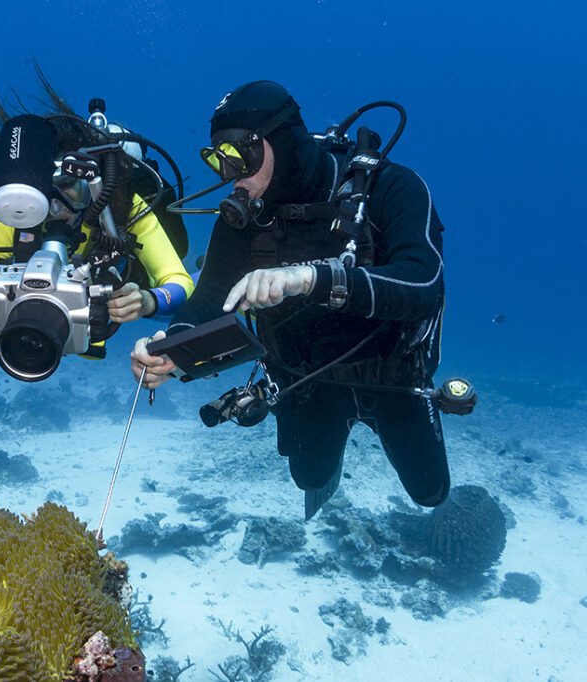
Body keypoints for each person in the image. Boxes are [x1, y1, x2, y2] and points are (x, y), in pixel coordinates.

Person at [131, 81, 450, 515]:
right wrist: (173, 349)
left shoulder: (391, 187)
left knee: (431, 493)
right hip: (305, 380)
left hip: (393, 374)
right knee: (311, 478)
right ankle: (329, 461)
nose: (233, 176)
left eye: (242, 156)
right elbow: (210, 298)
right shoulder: (242, 220)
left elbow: (423, 285)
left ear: (283, 141)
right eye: (218, 161)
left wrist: (310, 278)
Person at [0, 75, 194, 356]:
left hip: (123, 281)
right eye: (45, 194)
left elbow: (178, 281)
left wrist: (148, 301)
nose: (56, 206)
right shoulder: (16, 213)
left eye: (67, 186)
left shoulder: (124, 206)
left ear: (89, 179)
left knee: (178, 305)